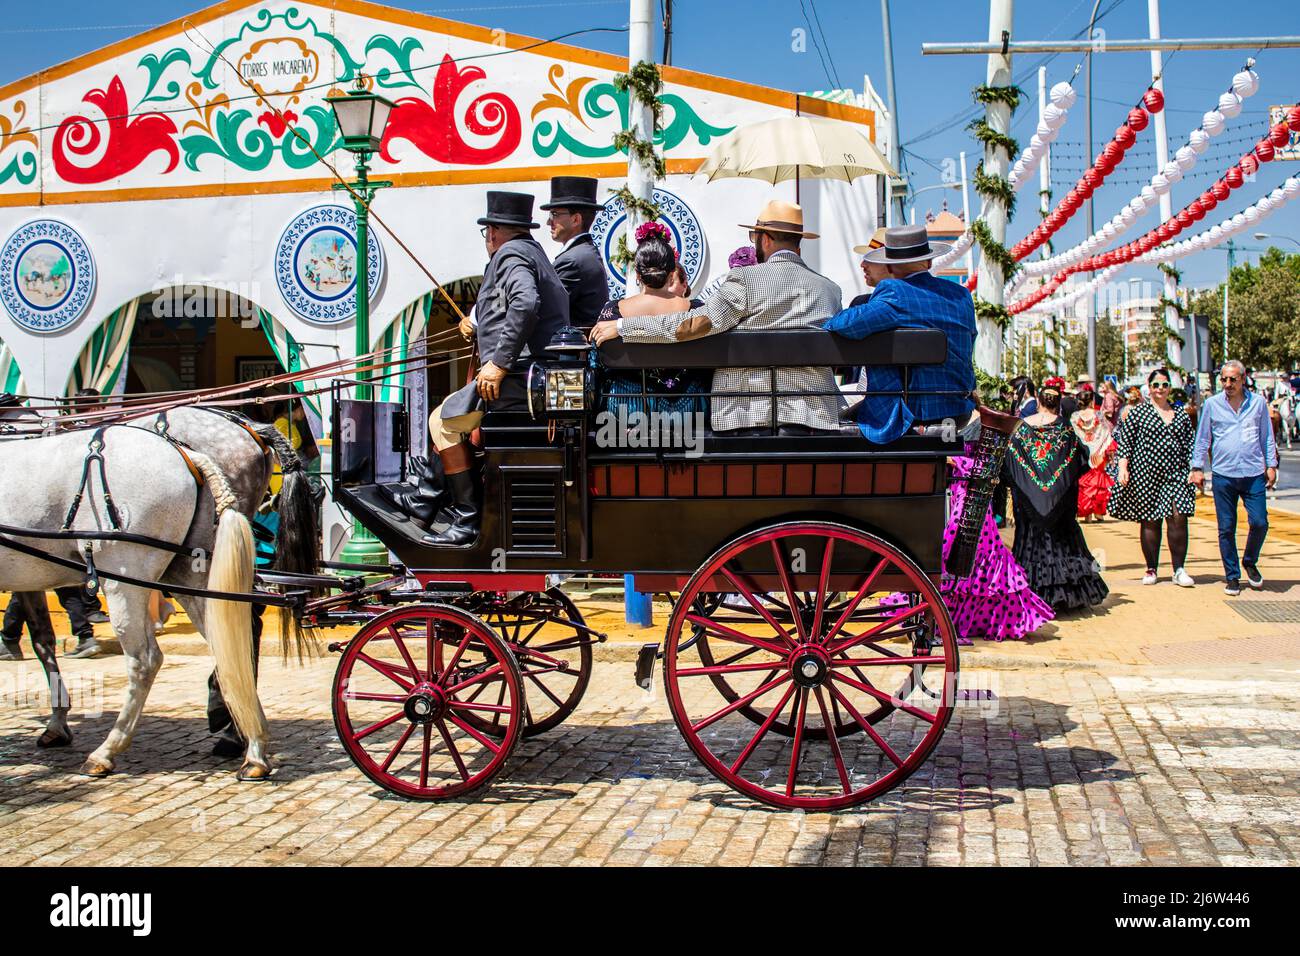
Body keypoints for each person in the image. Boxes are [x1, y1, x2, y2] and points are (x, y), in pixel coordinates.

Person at [590, 199, 843, 436]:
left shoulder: (745, 280)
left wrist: (625, 327)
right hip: (817, 416)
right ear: (798, 243)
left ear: (765, 240)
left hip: (748, 416)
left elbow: (692, 324)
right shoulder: (830, 289)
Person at [423, 191, 569, 544]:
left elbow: (525, 302)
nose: (487, 238)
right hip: (537, 376)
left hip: (522, 380)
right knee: (448, 419)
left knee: (441, 422)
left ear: (494, 231)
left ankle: (466, 518)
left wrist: (498, 364)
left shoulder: (511, 254)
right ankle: (427, 494)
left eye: (488, 230)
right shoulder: (533, 253)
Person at [821, 224, 976, 444]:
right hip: (958, 410)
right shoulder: (961, 295)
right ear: (929, 261)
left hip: (913, 412)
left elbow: (843, 324)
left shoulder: (895, 292)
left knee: (832, 424)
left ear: (890, 267)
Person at [1002, 377, 1109, 612]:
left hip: (1028, 503)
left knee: (1030, 541)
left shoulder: (1020, 428)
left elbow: (1008, 462)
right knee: (1062, 542)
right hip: (1060, 503)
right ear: (1058, 404)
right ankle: (1064, 597)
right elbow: (1080, 461)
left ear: (1039, 402)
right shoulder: (1064, 429)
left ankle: (1029, 592)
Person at [934, 450, 1056, 644]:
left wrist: (954, 461)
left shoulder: (982, 427)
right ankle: (950, 614)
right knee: (957, 555)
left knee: (975, 557)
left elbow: (987, 466)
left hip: (972, 499)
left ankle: (977, 619)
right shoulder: (959, 423)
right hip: (960, 493)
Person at [596, 222, 707, 417]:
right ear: (672, 274)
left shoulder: (611, 313)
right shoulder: (697, 310)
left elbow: (598, 363)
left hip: (627, 408)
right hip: (689, 409)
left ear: (638, 274)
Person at [1191, 359, 1279, 595]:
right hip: (1224, 474)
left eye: (1233, 379)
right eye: (1224, 379)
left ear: (1243, 379)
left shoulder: (1258, 403)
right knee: (1226, 528)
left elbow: (1267, 437)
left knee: (1260, 522)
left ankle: (1249, 561)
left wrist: (1271, 465)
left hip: (1253, 474)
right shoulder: (1212, 404)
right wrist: (1197, 467)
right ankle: (1232, 576)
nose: (1228, 384)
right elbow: (1203, 439)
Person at [1106, 368, 1197, 587]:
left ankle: (1179, 569)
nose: (1160, 390)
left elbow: (1189, 443)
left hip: (1176, 474)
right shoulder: (1138, 413)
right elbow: (1125, 441)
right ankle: (1151, 568)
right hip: (1146, 474)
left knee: (1178, 517)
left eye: (1164, 385)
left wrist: (1194, 468)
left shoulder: (1180, 413)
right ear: (1150, 386)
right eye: (1156, 385)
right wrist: (1123, 467)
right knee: (1150, 520)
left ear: (1170, 388)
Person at [541, 176, 608, 329]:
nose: (549, 222)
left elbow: (546, 309)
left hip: (571, 349)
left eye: (555, 214)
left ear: (576, 219)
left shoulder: (572, 260)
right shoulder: (583, 253)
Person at [1071, 387, 1115, 523]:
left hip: (1083, 451)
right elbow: (1105, 432)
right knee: (1098, 481)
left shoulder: (1075, 416)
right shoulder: (1098, 414)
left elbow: (1074, 433)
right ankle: (1098, 512)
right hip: (1098, 451)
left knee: (1083, 481)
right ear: (1091, 401)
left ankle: (1085, 513)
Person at [848, 227, 890, 307]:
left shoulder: (860, 303)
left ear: (892, 265)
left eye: (872, 259)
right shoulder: (860, 302)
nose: (862, 265)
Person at [1270, 386, 1294, 451]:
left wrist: (1291, 395)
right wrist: (1281, 398)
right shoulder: (1279, 384)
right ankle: (1276, 417)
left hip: (1289, 399)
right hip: (1281, 399)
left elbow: (1291, 392)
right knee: (1274, 408)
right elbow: (1276, 396)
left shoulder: (1288, 383)